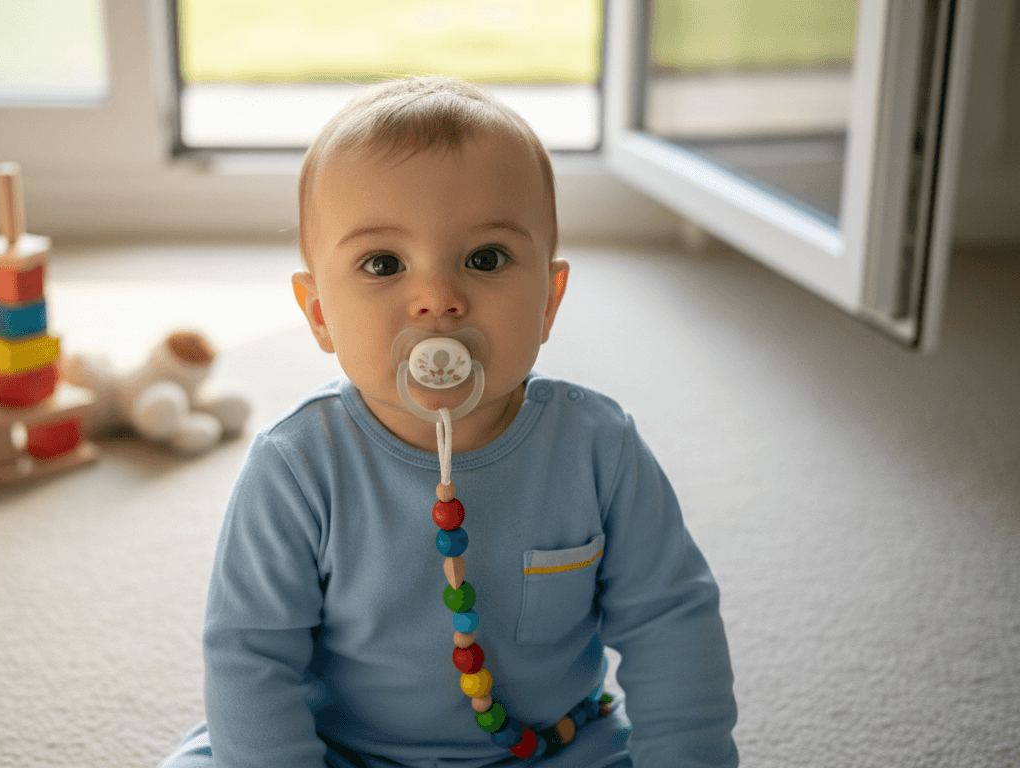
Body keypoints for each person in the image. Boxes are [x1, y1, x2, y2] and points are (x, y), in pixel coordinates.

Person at [159, 76, 737, 768]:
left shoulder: (598, 447)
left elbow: (671, 622)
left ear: (549, 300)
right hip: (341, 750)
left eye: (485, 259)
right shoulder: (297, 465)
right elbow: (249, 656)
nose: (437, 297)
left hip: (553, 746)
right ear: (319, 314)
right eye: (383, 264)